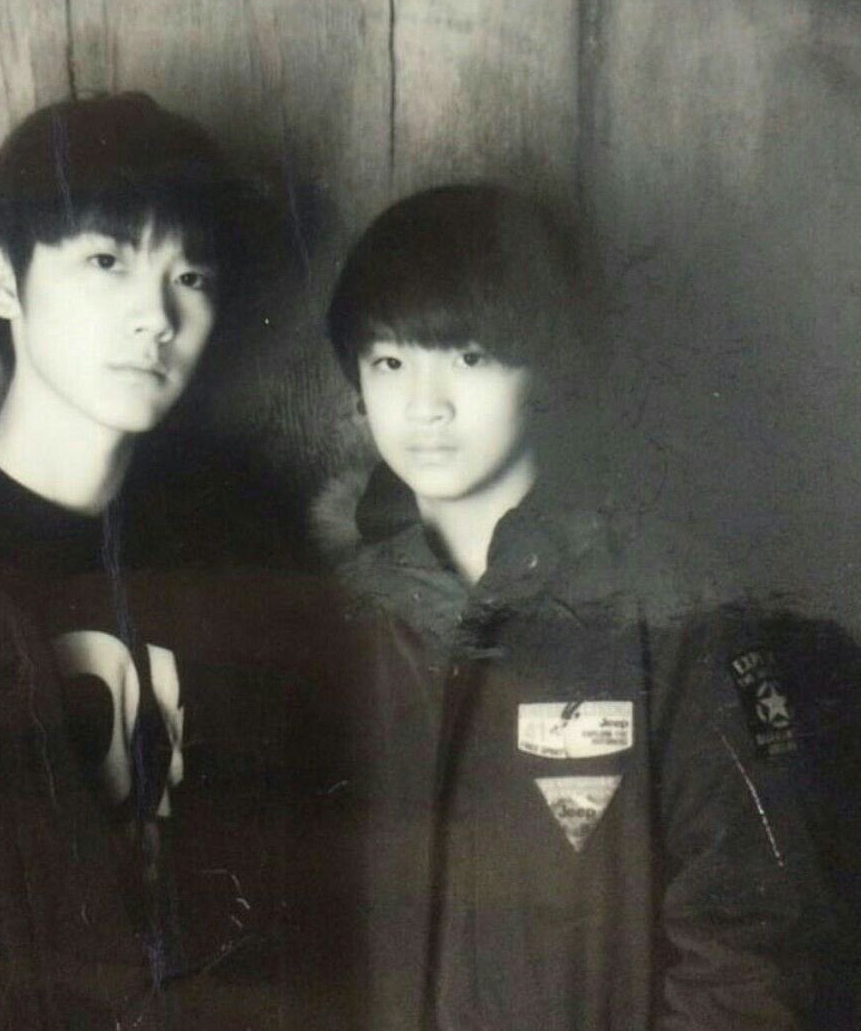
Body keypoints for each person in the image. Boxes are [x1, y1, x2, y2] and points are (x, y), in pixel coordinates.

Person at [0, 93, 341, 1030]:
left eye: (191, 276)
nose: (156, 317)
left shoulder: (236, 550)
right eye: (107, 261)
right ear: (3, 280)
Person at [318, 184, 841, 1030]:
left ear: (543, 369)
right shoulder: (331, 613)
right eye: (390, 362)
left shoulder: (672, 607)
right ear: (356, 386)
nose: (426, 406)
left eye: (469, 358)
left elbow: (753, 945)